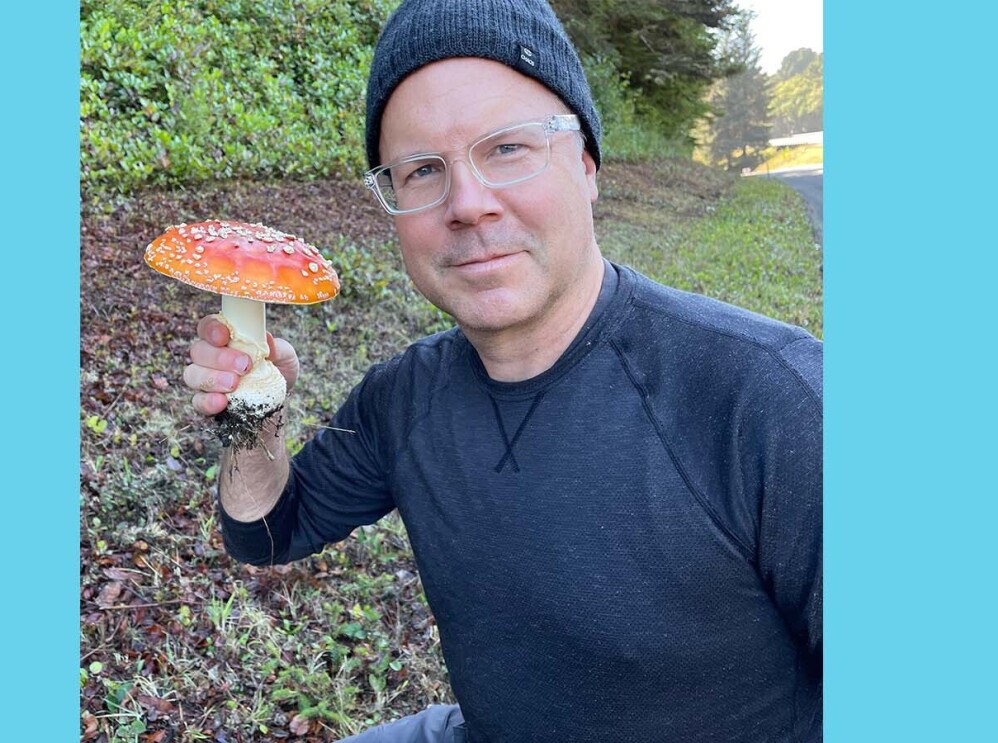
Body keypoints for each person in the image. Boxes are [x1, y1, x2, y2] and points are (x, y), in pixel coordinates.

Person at [183, 1, 822, 740]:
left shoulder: (773, 401)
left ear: (586, 165)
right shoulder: (404, 399)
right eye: (422, 169)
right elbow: (266, 534)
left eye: (508, 148)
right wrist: (250, 420)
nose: (468, 204)